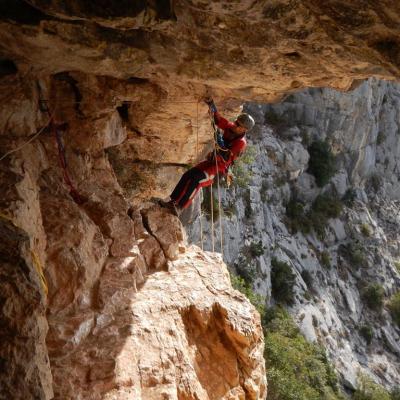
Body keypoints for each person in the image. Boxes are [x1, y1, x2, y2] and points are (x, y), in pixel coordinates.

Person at [161, 98, 255, 215]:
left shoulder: (241, 143)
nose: (234, 124)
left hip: (219, 168)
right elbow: (218, 120)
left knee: (196, 179)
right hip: (213, 161)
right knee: (188, 175)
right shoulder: (231, 128)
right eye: (236, 122)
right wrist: (212, 105)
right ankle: (172, 201)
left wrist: (219, 140)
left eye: (237, 124)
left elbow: (226, 156)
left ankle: (179, 207)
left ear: (244, 129)